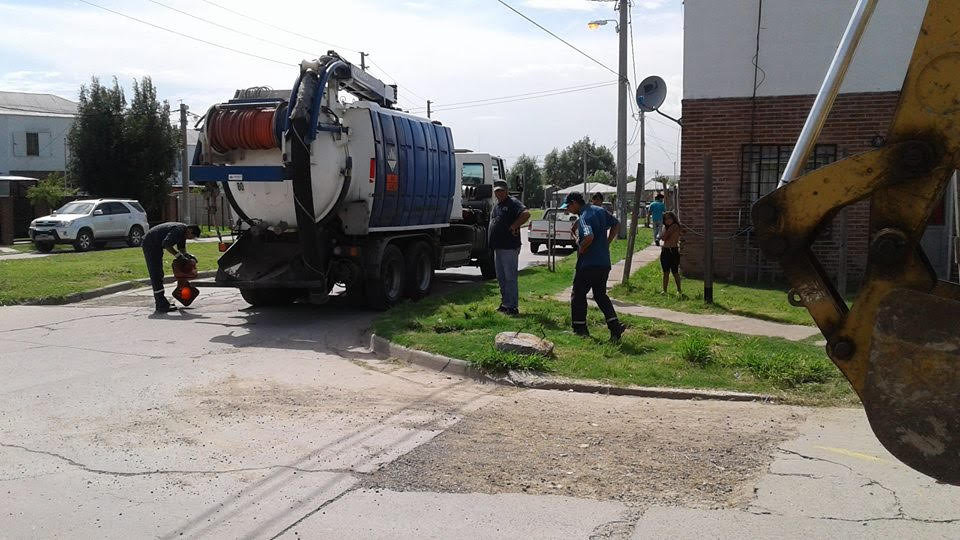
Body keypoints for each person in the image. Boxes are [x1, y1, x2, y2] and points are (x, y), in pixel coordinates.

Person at [564, 192, 627, 341]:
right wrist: (607, 242)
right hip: (603, 263)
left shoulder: (585, 216)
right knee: (600, 295)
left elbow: (589, 236)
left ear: (574, 203)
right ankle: (615, 327)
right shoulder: (599, 210)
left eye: (568, 206)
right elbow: (616, 224)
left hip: (588, 264)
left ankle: (580, 328)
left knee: (578, 294)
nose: (568, 209)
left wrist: (581, 247)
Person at [489, 180, 530, 315]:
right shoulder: (497, 206)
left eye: (501, 190)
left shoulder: (513, 202)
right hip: (498, 247)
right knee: (501, 277)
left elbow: (526, 214)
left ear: (506, 190)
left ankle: (512, 306)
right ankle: (505, 303)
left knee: (510, 277)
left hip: (509, 247)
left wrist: (514, 226)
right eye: (496, 191)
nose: (498, 193)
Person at [142, 222, 201, 313]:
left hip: (156, 245)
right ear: (190, 230)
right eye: (191, 237)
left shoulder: (183, 233)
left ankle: (162, 302)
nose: (190, 239)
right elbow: (167, 244)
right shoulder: (178, 230)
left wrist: (188, 256)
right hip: (150, 243)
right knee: (156, 273)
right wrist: (178, 256)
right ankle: (161, 304)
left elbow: (181, 249)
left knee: (159, 274)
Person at [659, 211, 682, 295]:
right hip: (665, 251)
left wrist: (662, 235)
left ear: (673, 218)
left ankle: (679, 290)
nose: (667, 220)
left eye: (669, 218)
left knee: (675, 272)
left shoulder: (674, 226)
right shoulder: (665, 227)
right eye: (665, 219)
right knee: (665, 272)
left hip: (673, 251)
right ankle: (664, 290)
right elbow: (661, 236)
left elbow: (663, 237)